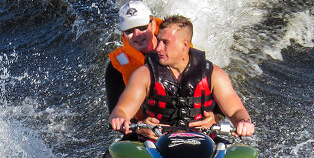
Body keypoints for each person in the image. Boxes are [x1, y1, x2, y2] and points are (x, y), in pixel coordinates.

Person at [109, 15, 255, 138]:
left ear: (185, 45)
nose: (157, 47)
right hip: (154, 143)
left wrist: (243, 122)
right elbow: (122, 110)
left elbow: (236, 111)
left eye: (165, 43)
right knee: (112, 157)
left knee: (241, 155)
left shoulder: (214, 74)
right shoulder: (144, 75)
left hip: (202, 143)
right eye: (158, 40)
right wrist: (122, 119)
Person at [105, 0, 160, 112]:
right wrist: (141, 127)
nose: (137, 34)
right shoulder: (116, 67)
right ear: (123, 34)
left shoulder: (178, 49)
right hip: (145, 125)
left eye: (142, 27)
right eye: (129, 30)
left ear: (153, 25)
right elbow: (115, 116)